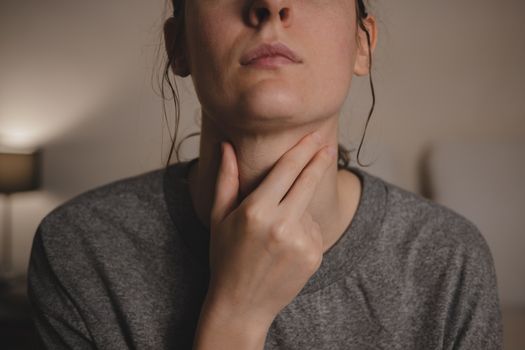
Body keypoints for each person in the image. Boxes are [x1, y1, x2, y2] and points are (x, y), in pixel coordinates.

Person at [27, 0, 503, 349]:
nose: (271, 5)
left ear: (363, 45)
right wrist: (235, 317)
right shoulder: (81, 247)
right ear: (179, 46)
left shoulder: (449, 258)